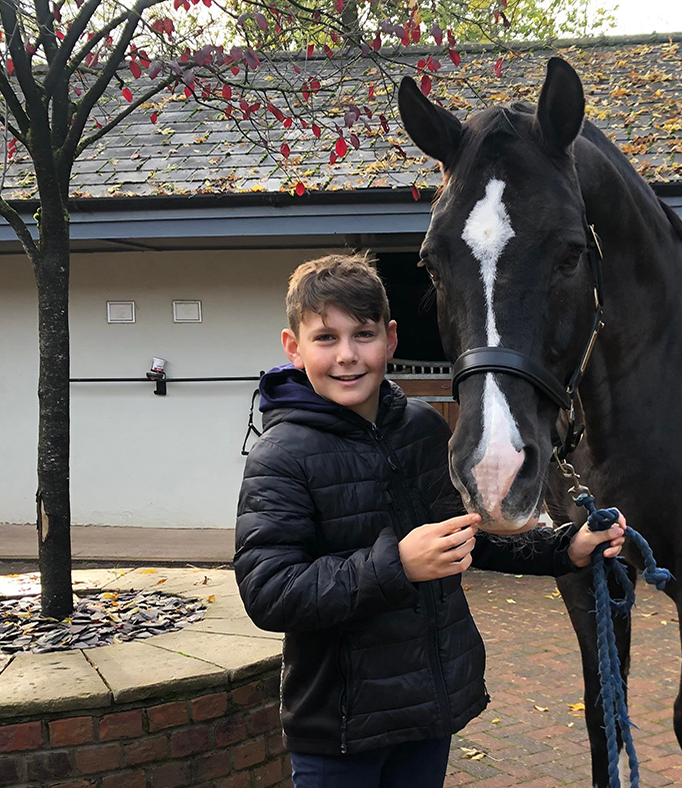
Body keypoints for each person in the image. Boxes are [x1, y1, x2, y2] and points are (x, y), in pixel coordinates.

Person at [233, 252, 626, 788]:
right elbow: (269, 591)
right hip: (340, 730)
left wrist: (566, 548)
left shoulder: (423, 429)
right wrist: (396, 564)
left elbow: (466, 541)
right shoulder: (280, 455)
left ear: (391, 340)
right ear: (293, 347)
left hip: (426, 712)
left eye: (363, 335)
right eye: (326, 338)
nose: (347, 355)